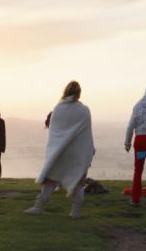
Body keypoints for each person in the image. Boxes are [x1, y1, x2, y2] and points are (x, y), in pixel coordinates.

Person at [25, 81, 95, 219]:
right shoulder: (84, 110)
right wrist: (89, 149)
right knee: (78, 181)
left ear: (65, 91)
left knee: (51, 179)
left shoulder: (58, 108)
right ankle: (75, 212)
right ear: (79, 93)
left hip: (59, 151)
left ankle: (38, 207)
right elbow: (87, 133)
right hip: (77, 151)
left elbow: (54, 132)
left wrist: (53, 150)